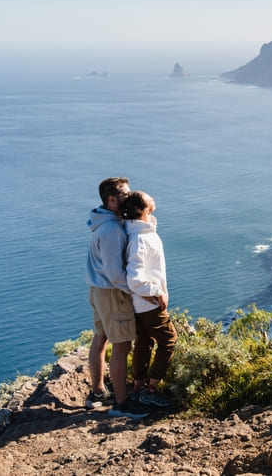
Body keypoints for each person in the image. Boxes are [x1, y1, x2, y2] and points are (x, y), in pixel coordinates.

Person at [85, 177, 151, 419]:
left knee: (101, 337)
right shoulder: (112, 230)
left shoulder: (102, 221)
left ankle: (98, 392)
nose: (130, 196)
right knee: (122, 345)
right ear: (111, 200)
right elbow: (115, 274)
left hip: (97, 289)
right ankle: (122, 404)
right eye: (125, 194)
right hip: (111, 292)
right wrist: (139, 290)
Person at [123, 190, 178, 407]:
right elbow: (134, 280)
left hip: (140, 304)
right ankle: (151, 387)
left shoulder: (138, 233)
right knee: (168, 340)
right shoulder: (140, 239)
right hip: (149, 304)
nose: (154, 199)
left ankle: (138, 386)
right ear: (143, 210)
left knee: (144, 343)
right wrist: (157, 292)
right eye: (149, 199)